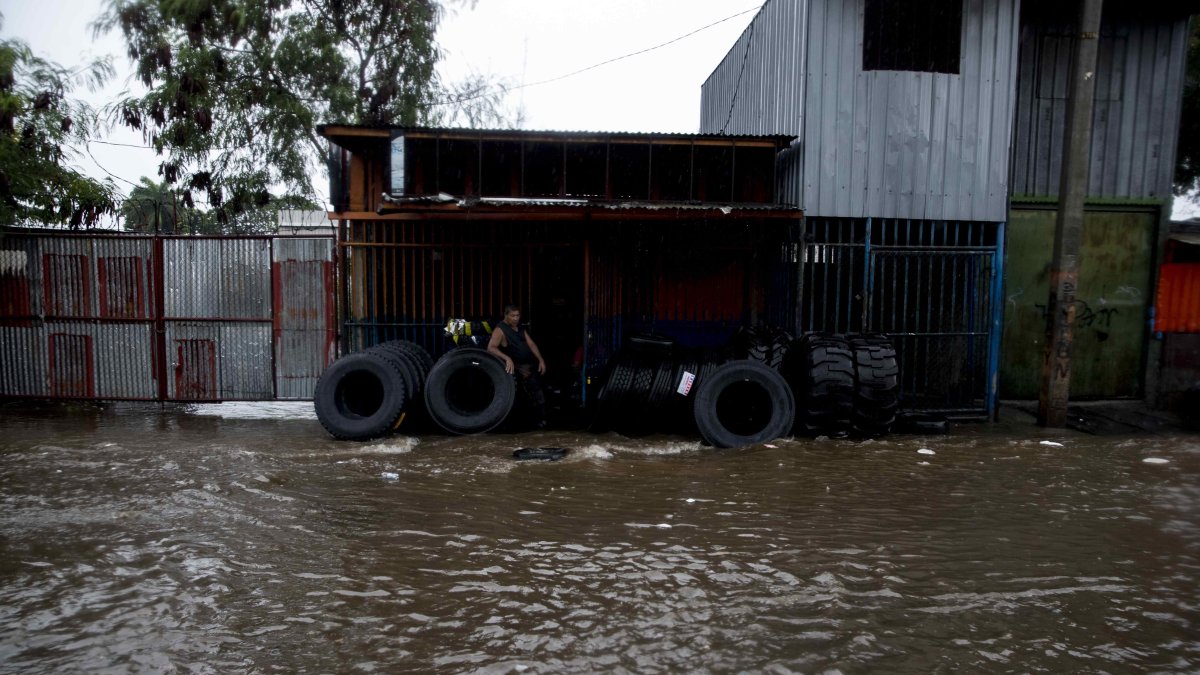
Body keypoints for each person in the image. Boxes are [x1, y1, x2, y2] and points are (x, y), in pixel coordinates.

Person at [487, 304, 548, 428]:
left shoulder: (520, 328)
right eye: (513, 316)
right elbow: (490, 348)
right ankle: (525, 423)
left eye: (518, 315)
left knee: (537, 394)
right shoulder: (500, 329)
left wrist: (541, 360)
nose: (516, 318)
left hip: (528, 366)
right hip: (515, 367)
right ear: (506, 315)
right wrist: (506, 357)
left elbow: (531, 344)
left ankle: (542, 421)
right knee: (522, 397)